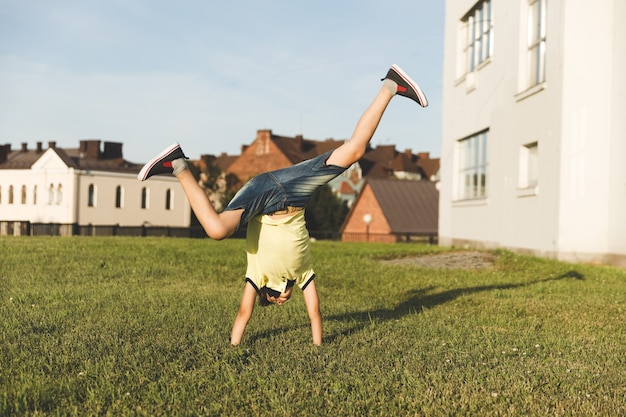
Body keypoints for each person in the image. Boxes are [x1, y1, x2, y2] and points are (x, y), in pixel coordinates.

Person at [137, 64, 428, 346]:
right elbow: (315, 313)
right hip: (294, 192)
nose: (283, 301)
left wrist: (235, 345)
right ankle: (391, 86)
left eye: (276, 300)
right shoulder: (303, 274)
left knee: (216, 230)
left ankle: (177, 165)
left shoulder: (257, 275)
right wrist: (318, 348)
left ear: (270, 295)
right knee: (354, 151)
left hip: (262, 195)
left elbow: (243, 314)